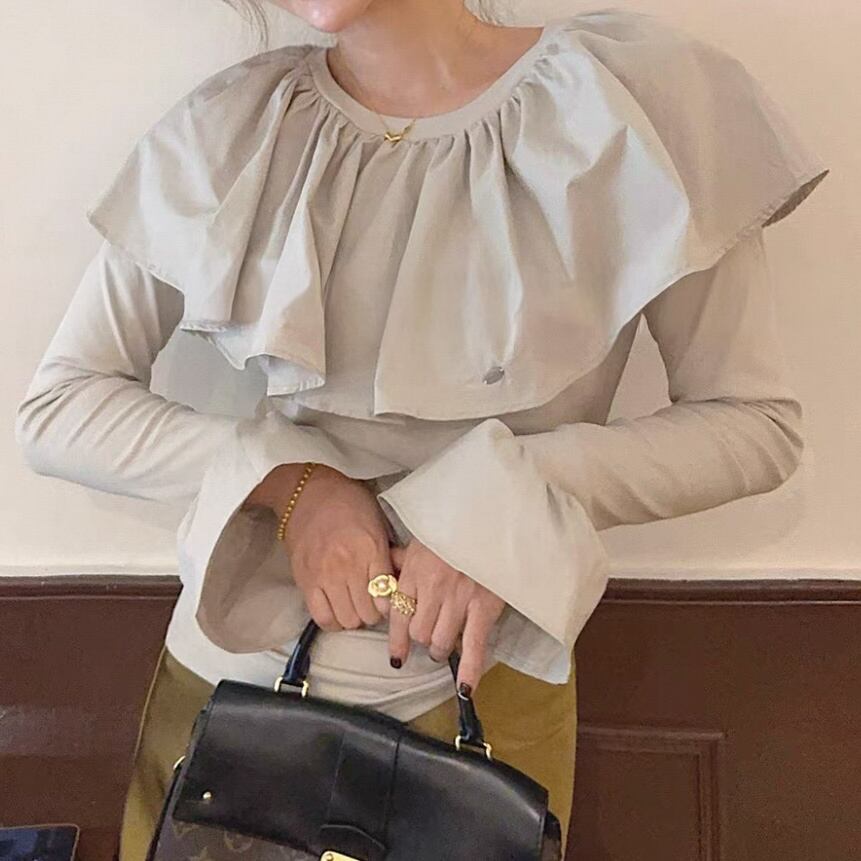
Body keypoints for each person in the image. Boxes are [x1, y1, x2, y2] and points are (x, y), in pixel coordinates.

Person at [15, 1, 829, 858]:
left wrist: (500, 497)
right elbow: (63, 408)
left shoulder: (633, 102)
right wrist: (294, 486)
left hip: (481, 705)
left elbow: (753, 427)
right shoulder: (229, 130)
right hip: (226, 696)